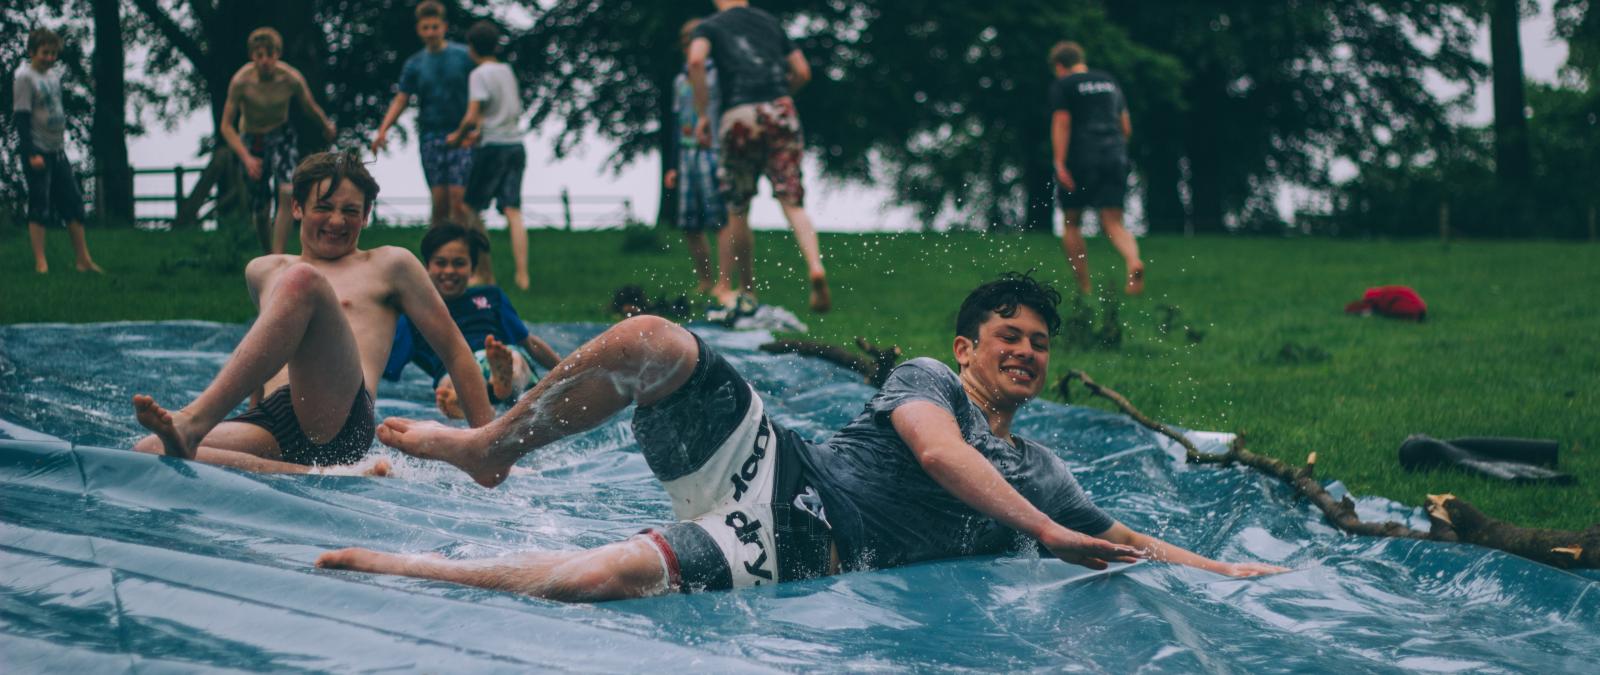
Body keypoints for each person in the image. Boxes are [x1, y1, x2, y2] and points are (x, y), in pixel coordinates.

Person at [317, 272, 1287, 600]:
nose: (1026, 356)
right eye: (1009, 339)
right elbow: (940, 456)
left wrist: (1217, 572)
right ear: (967, 346)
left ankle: (408, 571)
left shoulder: (1042, 469)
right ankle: (495, 445)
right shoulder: (929, 381)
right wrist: (1050, 531)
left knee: (598, 581)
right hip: (781, 469)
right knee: (655, 340)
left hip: (814, 545)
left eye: (1039, 345)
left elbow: (1119, 537)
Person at [130, 152, 494, 475]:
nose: (337, 221)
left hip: (339, 417)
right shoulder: (263, 270)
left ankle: (193, 421)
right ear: (298, 208)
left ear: (366, 215)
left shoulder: (390, 265)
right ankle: (319, 473)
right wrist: (250, 412)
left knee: (303, 280)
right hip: (273, 419)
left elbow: (455, 351)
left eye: (350, 211)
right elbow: (268, 349)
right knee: (148, 451)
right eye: (324, 207)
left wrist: (487, 448)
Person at [688, 0, 831, 315]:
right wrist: (781, 100)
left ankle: (747, 290)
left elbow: (696, 61)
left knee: (738, 207)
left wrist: (702, 115)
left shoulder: (710, 26)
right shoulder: (769, 22)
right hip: (779, 108)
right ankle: (815, 268)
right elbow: (802, 71)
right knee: (792, 200)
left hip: (739, 113)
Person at [383, 224, 561, 419]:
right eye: (441, 263)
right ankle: (461, 400)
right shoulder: (415, 314)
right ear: (427, 266)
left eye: (459, 263)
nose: (449, 271)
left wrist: (564, 369)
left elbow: (527, 341)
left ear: (473, 268)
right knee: (449, 382)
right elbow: (386, 361)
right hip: (453, 370)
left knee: (515, 361)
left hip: (495, 356)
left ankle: (498, 386)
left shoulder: (490, 296)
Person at [219, 27, 338, 254]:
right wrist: (246, 158)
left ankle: (279, 254)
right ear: (252, 56)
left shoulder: (290, 78)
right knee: (261, 208)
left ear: (278, 54)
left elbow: (309, 106)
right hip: (252, 140)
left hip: (281, 135)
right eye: (259, 55)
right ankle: (268, 256)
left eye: (270, 55)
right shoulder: (241, 82)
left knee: (286, 191)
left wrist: (325, 124)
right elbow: (226, 126)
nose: (265, 61)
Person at [1048, 41, 1143, 296]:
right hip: (1114, 154)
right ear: (1080, 59)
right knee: (1113, 222)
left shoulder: (1064, 85)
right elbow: (1126, 126)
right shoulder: (1108, 81)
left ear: (1059, 66)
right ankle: (1133, 261)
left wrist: (1059, 162)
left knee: (1072, 222)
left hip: (1081, 156)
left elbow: (1062, 122)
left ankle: (1085, 287)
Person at [371, 0, 476, 228]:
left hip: (462, 133)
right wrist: (383, 130)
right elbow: (402, 99)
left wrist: (477, 126)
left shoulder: (464, 57)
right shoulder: (415, 64)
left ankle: (467, 255)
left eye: (435, 27)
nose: (430, 32)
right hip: (431, 135)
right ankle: (435, 258)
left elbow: (480, 93)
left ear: (444, 27)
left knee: (459, 201)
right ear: (419, 29)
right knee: (440, 203)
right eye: (426, 28)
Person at [13, 27, 101, 275]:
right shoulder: (24, 78)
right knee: (40, 205)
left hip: (57, 150)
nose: (50, 57)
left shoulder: (53, 76)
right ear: (32, 52)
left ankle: (83, 259)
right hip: (37, 150)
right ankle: (41, 263)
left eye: (53, 53)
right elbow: (21, 118)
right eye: (45, 53)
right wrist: (31, 153)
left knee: (73, 202)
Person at [450, 20, 529, 290]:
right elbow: (499, 110)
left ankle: (484, 272)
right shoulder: (507, 71)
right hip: (515, 144)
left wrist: (458, 137)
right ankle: (522, 276)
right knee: (513, 210)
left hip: (493, 147)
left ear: (471, 48)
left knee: (470, 208)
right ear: (496, 45)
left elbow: (473, 114)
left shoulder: (479, 74)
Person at [663, 18, 725, 296]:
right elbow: (678, 122)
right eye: (686, 39)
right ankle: (705, 280)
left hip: (712, 151)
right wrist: (673, 164)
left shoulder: (718, 75)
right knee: (690, 222)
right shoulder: (680, 80)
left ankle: (725, 282)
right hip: (687, 153)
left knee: (720, 218)